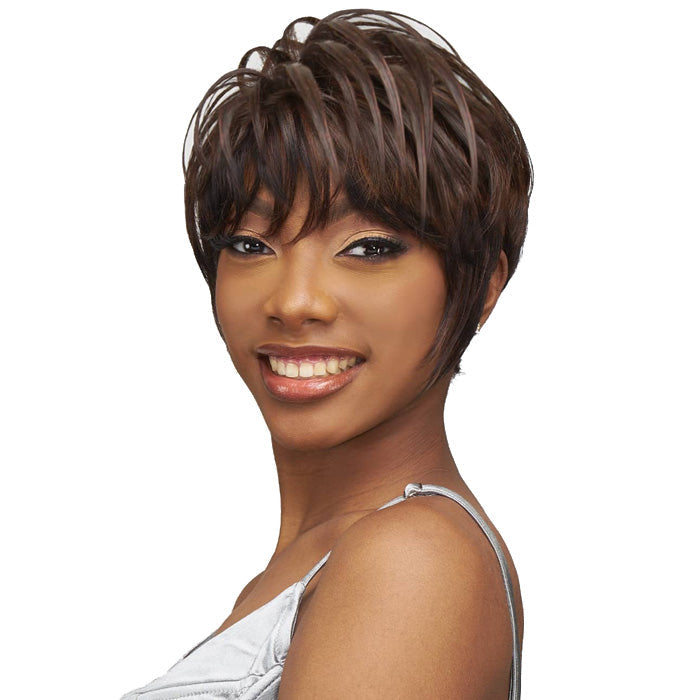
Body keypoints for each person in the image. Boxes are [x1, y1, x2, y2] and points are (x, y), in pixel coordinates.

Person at [122, 8, 532, 699]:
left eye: (368, 248)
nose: (295, 301)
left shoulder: (414, 562)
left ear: (483, 285)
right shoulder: (305, 573)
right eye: (250, 244)